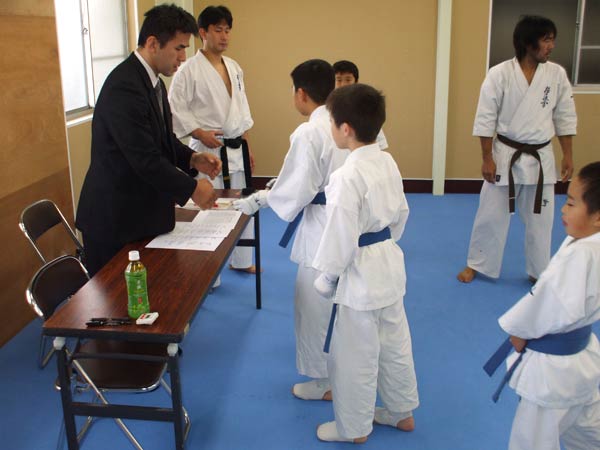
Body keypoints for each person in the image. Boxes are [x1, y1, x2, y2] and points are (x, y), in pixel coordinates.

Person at [309, 83, 419, 443]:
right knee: (394, 344)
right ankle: (401, 413)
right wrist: (382, 243)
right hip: (388, 262)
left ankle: (353, 429)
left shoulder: (347, 176)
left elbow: (340, 236)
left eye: (331, 122)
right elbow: (401, 214)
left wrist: (328, 277)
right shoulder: (388, 161)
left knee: (355, 354)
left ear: (345, 129)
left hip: (359, 274)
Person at [76, 4, 221, 276]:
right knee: (114, 298)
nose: (183, 57)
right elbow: (144, 158)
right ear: (153, 44)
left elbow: (163, 139)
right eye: (179, 48)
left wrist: (192, 158)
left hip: (140, 212)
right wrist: (192, 188)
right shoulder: (125, 86)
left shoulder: (154, 81)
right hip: (115, 218)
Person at [233, 59, 347, 401]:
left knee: (313, 304)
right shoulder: (343, 121)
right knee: (341, 302)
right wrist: (279, 187)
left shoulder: (310, 131)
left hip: (322, 226)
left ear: (301, 93)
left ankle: (325, 381)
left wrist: (262, 199)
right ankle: (343, 369)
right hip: (344, 220)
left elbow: (297, 190)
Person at [485, 162, 600, 450]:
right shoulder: (588, 245)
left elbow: (549, 303)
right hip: (583, 361)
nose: (563, 209)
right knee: (587, 431)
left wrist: (519, 331)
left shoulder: (581, 255)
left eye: (571, 203)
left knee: (532, 440)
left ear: (597, 217)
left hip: (554, 373)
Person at [457, 15, 576, 284]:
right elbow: (485, 118)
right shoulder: (499, 74)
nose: (551, 46)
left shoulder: (556, 75)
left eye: (552, 40)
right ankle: (477, 263)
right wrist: (487, 158)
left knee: (541, 220)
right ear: (527, 43)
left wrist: (568, 155)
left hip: (541, 157)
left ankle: (539, 270)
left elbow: (564, 116)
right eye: (546, 40)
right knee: (490, 214)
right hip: (505, 154)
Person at [169, 5, 257, 277]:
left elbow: (241, 111)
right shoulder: (188, 70)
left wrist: (247, 145)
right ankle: (208, 271)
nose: (224, 36)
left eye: (227, 30)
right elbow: (176, 109)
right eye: (218, 30)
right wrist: (198, 133)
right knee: (208, 208)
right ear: (203, 32)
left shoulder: (234, 67)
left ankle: (242, 260)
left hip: (235, 148)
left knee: (242, 202)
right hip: (207, 151)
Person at [333, 60, 388, 150]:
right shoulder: (327, 112)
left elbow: (380, 147)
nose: (343, 84)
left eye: (348, 80)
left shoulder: (366, 111)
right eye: (338, 80)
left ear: (356, 82)